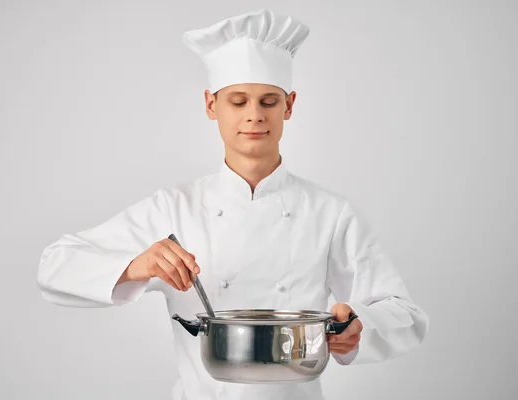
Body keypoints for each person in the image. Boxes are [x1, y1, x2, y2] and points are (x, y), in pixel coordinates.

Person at [37, 8, 429, 400]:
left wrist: (361, 324)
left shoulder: (329, 212)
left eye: (269, 101)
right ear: (211, 105)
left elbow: (406, 316)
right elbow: (55, 267)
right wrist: (134, 266)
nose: (254, 116)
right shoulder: (174, 208)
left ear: (289, 106)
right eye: (238, 101)